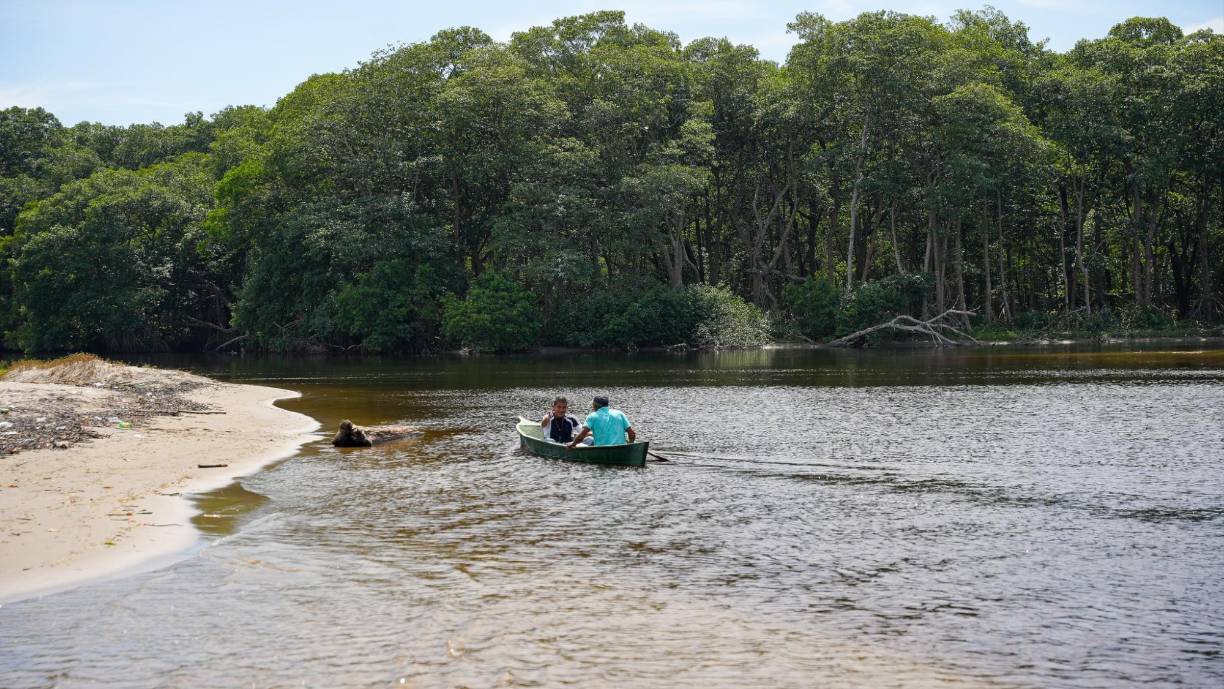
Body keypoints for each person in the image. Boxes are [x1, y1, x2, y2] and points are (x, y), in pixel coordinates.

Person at [568, 396, 636, 448]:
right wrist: (630, 444)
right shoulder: (620, 414)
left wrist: (573, 444)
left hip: (602, 449)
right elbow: (632, 433)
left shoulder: (592, 416)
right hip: (622, 449)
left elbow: (581, 436)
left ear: (595, 405)